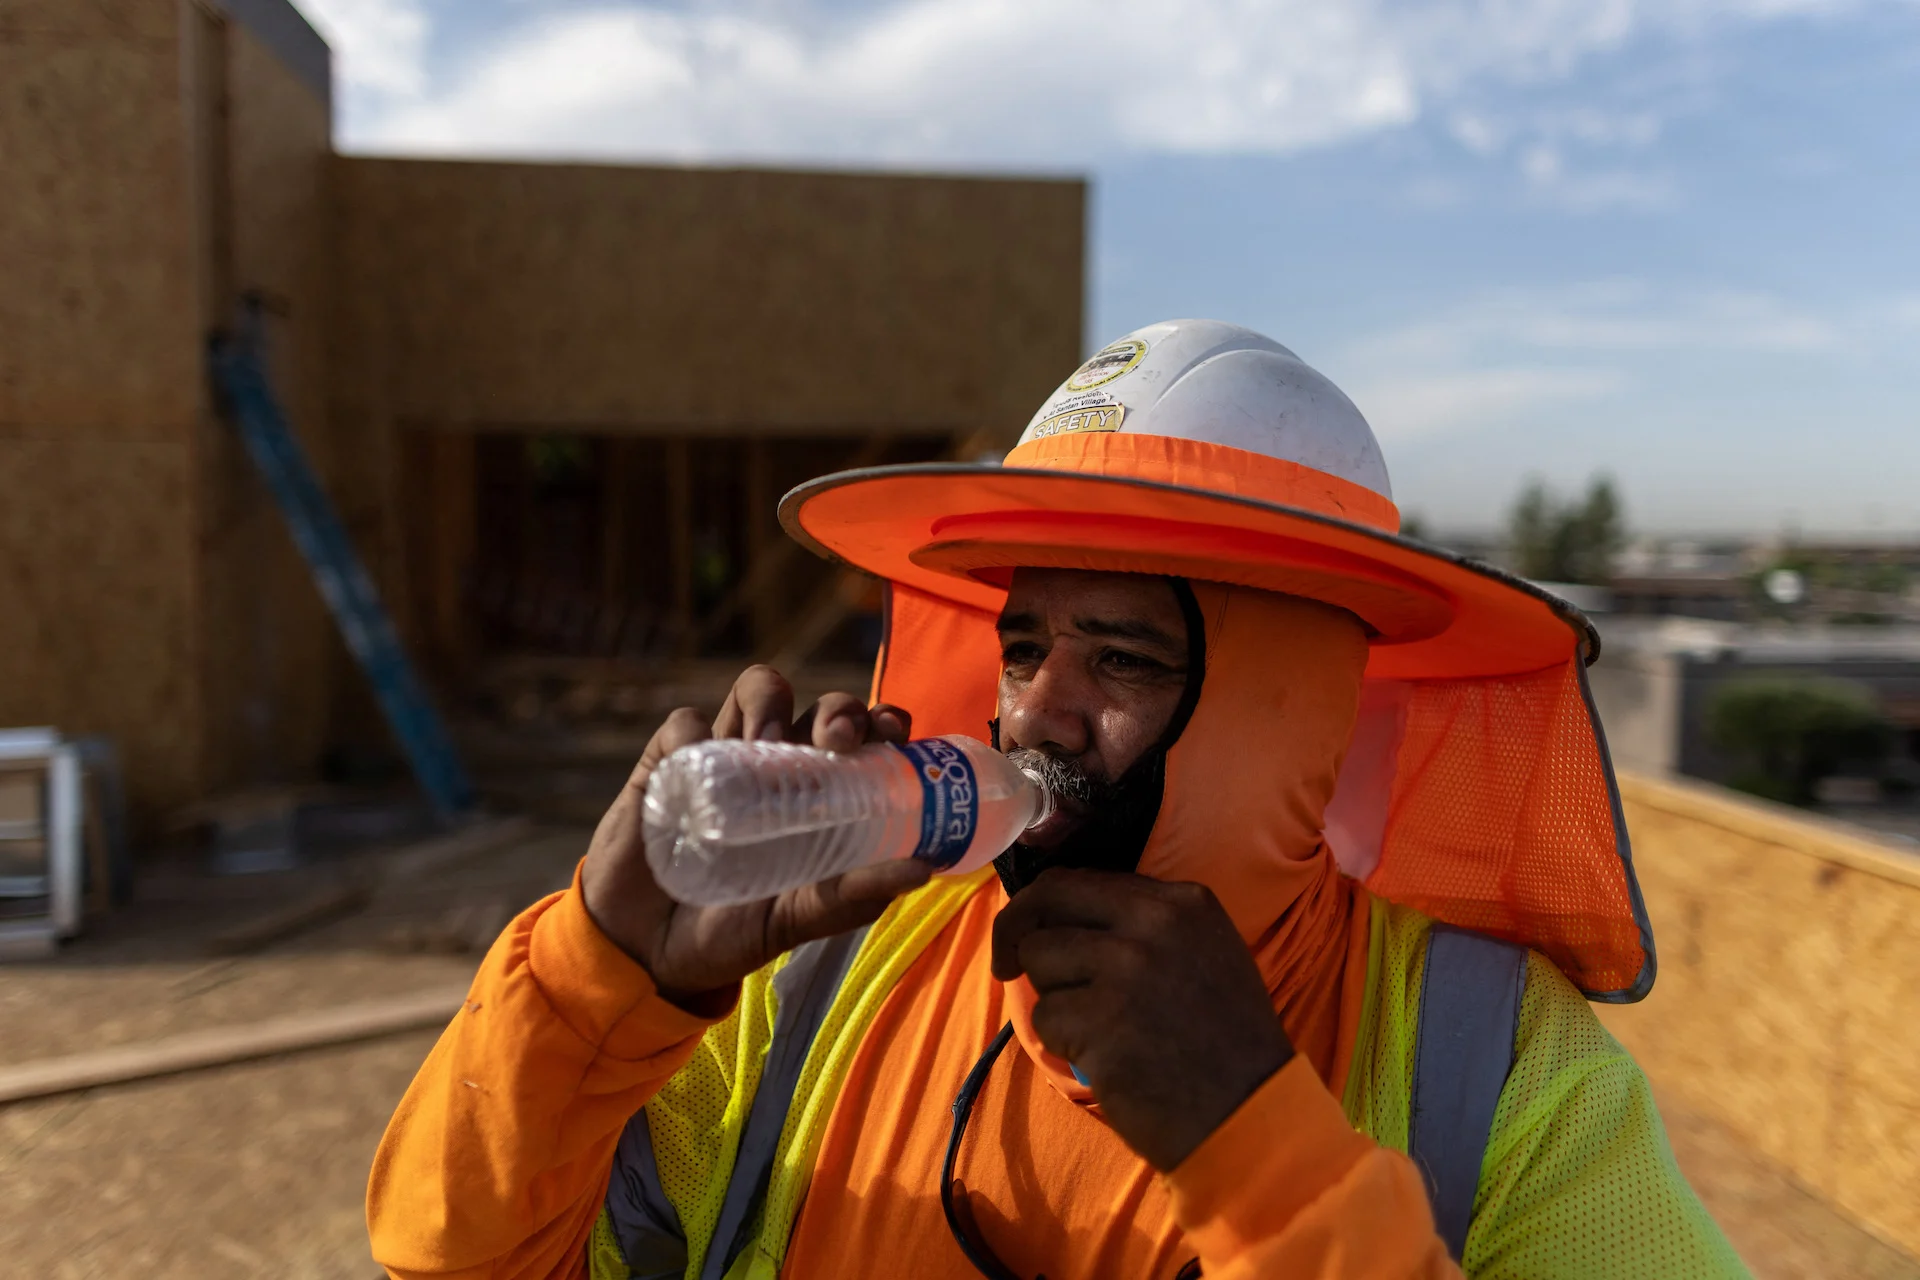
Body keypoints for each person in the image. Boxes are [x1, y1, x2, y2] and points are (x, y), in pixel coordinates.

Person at [368, 321, 1747, 1279]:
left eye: (1125, 658)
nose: (1032, 713)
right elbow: (451, 1258)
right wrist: (595, 990)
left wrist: (1260, 1154)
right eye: (1023, 647)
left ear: (1285, 713)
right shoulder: (826, 974)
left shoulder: (1494, 1065)